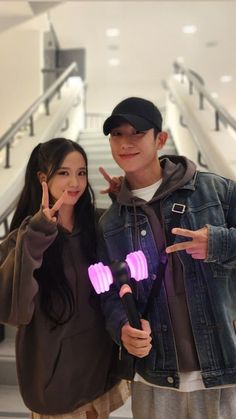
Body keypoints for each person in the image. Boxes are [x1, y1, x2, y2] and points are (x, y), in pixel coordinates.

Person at [97, 97, 236, 419]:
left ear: (160, 139)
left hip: (223, 365)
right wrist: (121, 328)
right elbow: (108, 294)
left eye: (137, 133)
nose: (125, 143)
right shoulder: (111, 222)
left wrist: (219, 243)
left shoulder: (213, 191)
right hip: (156, 376)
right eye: (117, 134)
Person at [0, 138, 130, 419]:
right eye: (64, 172)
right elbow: (14, 312)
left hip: (97, 371)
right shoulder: (23, 238)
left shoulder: (97, 225)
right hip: (54, 382)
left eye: (81, 172)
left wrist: (124, 202)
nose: (75, 182)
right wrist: (37, 235)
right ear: (42, 177)